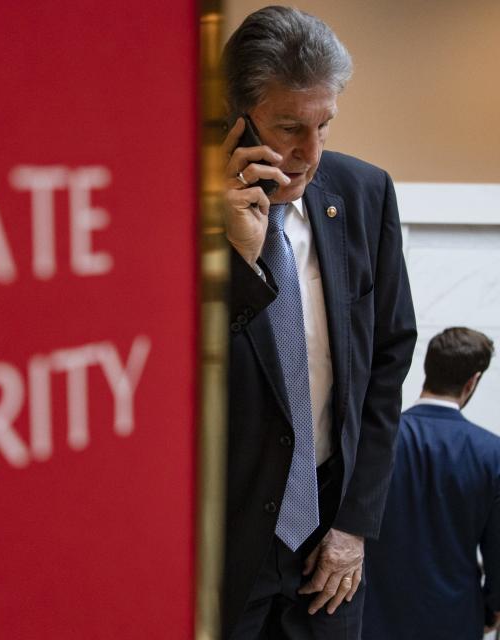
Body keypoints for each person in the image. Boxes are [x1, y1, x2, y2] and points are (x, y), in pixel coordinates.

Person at [219, 6, 417, 639]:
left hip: (328, 547)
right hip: (224, 549)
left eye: (324, 125)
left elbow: (388, 361)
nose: (310, 153)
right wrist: (236, 260)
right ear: (239, 118)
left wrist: (355, 524)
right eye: (288, 128)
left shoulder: (363, 193)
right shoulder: (172, 207)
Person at [363, 328, 500, 639]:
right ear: (472, 381)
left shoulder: (375, 441)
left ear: (427, 368)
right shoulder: (493, 454)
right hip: (455, 620)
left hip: (373, 617)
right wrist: (492, 606)